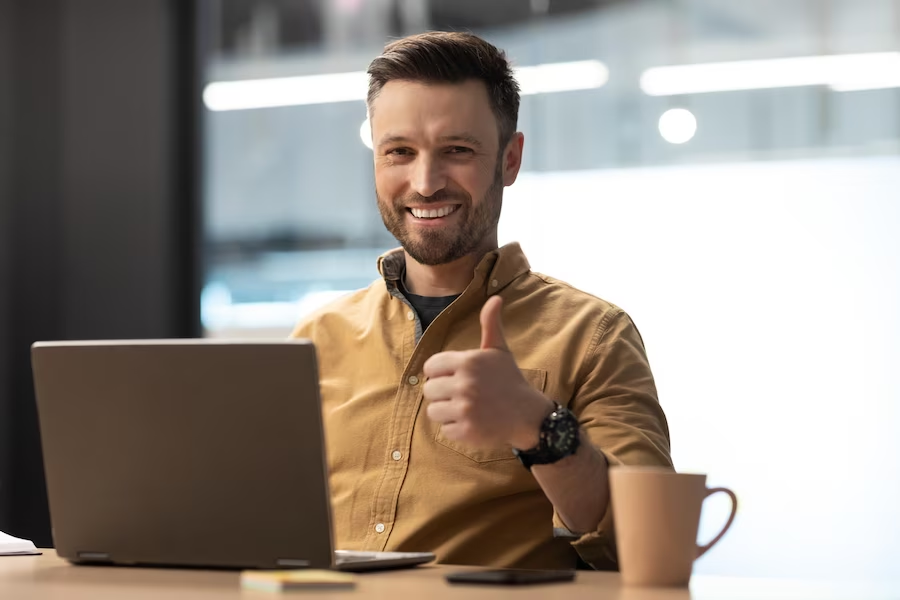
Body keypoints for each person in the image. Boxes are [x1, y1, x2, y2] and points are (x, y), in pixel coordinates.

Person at [291, 31, 672, 571]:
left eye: (458, 151)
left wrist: (537, 426)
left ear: (510, 160)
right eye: (399, 151)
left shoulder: (593, 335)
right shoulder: (315, 336)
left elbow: (647, 542)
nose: (425, 183)